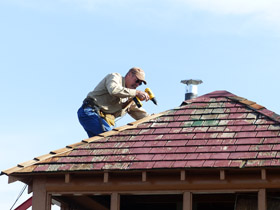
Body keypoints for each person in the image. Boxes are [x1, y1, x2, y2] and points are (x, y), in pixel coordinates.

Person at [77, 67, 150, 137]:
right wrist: (136, 92)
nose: (137, 84)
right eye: (137, 81)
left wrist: (152, 120)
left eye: (140, 83)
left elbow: (138, 112)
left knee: (101, 144)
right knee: (108, 138)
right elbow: (114, 90)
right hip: (90, 112)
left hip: (101, 118)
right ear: (129, 75)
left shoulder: (130, 96)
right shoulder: (115, 77)